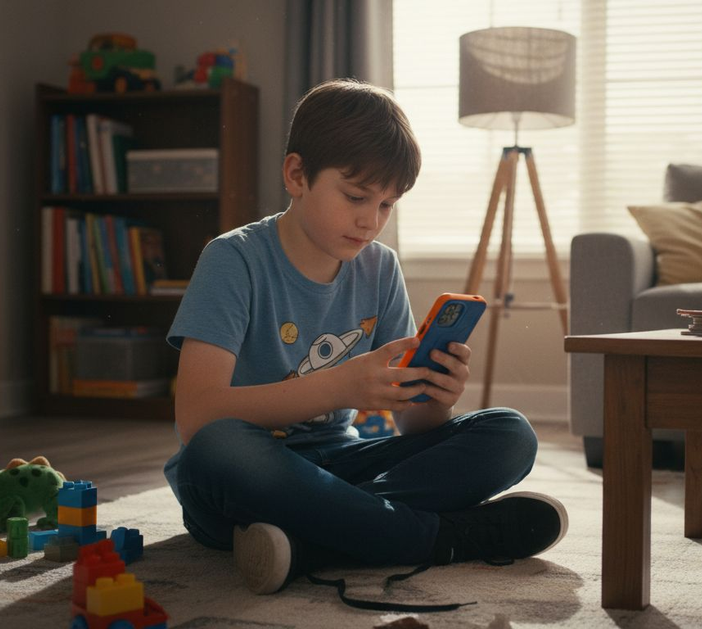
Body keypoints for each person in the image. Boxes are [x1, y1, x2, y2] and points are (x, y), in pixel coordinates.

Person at [163, 78, 567, 598]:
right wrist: (341, 387)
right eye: (356, 197)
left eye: (386, 205)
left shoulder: (379, 268)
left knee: (508, 433)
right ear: (296, 175)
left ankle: (313, 543)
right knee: (217, 446)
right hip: (246, 480)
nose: (370, 221)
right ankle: (437, 538)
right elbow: (197, 416)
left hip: (342, 472)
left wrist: (434, 396)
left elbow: (412, 423)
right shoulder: (233, 259)